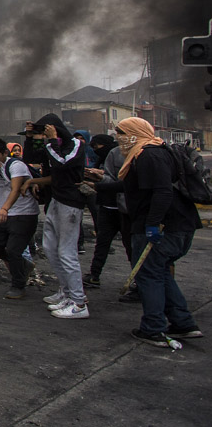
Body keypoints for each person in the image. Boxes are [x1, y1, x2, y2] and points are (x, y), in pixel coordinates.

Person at [91, 117, 202, 346]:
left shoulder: (149, 154)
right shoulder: (150, 152)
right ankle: (183, 323)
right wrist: (99, 186)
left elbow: (162, 192)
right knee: (159, 273)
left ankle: (153, 328)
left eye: (122, 133)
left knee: (148, 275)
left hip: (163, 227)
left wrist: (152, 224)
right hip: (175, 224)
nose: (119, 138)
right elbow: (134, 186)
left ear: (134, 132)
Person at [24, 114, 90, 320]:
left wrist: (52, 141)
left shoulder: (75, 145)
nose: (43, 135)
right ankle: (67, 292)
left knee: (66, 252)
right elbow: (32, 158)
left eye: (45, 131)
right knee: (51, 249)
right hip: (56, 201)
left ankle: (79, 302)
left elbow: (62, 163)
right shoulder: (52, 146)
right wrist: (30, 137)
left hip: (70, 203)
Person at [0, 138, 40, 299]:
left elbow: (15, 189)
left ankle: (18, 285)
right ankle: (23, 265)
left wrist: (4, 209)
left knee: (14, 250)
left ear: (5, 153)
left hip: (23, 214)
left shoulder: (16, 166)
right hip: (5, 214)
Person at [83, 134, 126, 289]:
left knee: (130, 247)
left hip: (123, 209)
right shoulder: (108, 156)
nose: (96, 151)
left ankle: (139, 281)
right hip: (107, 207)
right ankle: (94, 275)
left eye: (97, 147)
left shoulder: (118, 153)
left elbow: (121, 182)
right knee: (101, 244)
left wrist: (99, 178)